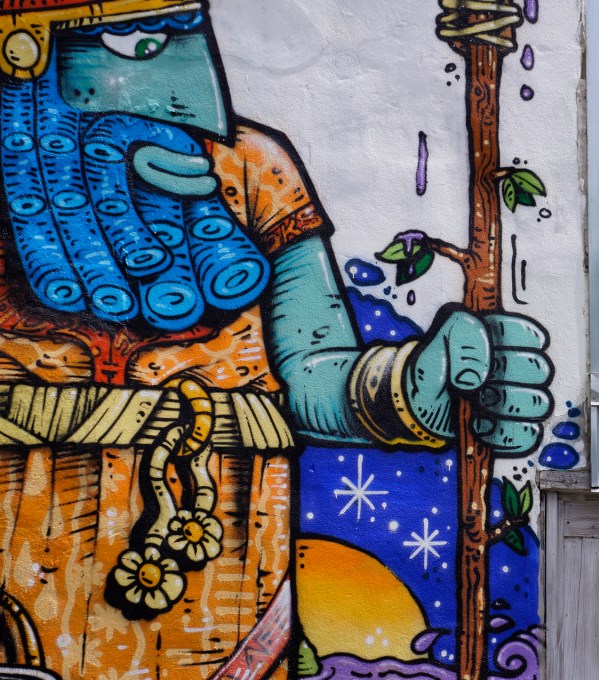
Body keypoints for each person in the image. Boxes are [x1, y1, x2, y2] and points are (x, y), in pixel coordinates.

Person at [0, 1, 552, 678]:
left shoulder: (252, 168)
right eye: (126, 40)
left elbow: (314, 368)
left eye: (174, 33)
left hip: (229, 604)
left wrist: (415, 389)